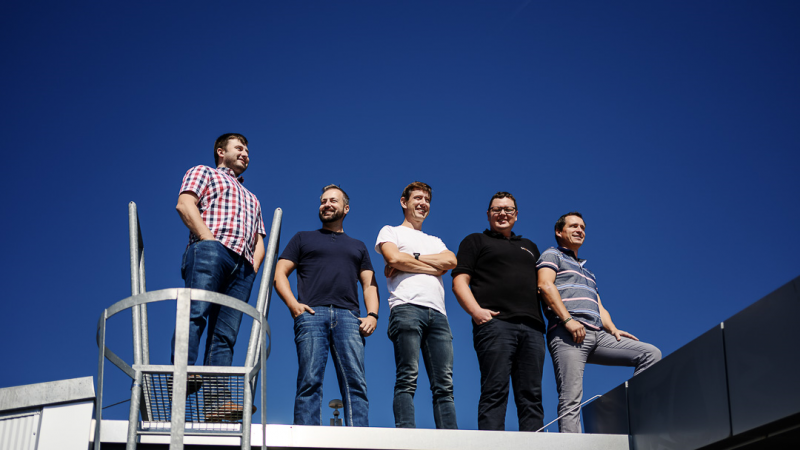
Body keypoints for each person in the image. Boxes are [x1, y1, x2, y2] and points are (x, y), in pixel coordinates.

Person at [537, 212, 661, 433]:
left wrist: (613, 329)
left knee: (650, 354)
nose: (579, 230)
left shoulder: (588, 272)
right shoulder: (552, 254)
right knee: (571, 397)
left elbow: (599, 306)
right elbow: (545, 286)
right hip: (568, 334)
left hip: (598, 335)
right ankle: (572, 446)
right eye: (573, 226)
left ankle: (632, 416)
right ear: (559, 231)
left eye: (582, 227)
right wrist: (568, 320)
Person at [172, 133, 266, 420]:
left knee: (225, 335)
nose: (245, 153)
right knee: (196, 312)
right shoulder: (204, 172)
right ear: (220, 151)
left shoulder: (253, 198)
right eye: (239, 148)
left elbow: (260, 239)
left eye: (247, 150)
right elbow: (185, 204)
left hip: (243, 266)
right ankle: (183, 372)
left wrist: (252, 268)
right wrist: (208, 240)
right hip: (212, 250)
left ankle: (217, 401)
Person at [274, 184, 380, 427]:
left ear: (346, 208)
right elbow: (279, 273)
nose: (327, 205)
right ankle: (307, 437)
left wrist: (372, 315)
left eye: (333, 200)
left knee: (355, 382)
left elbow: (369, 284)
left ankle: (359, 438)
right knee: (309, 380)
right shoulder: (302, 238)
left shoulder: (358, 245)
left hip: (349, 318)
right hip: (311, 314)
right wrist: (293, 305)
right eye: (323, 201)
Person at [451, 192, 546, 431]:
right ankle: (492, 445)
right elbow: (459, 281)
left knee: (532, 395)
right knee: (495, 390)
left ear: (516, 215)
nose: (502, 214)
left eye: (508, 209)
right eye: (497, 209)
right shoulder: (475, 240)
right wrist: (476, 312)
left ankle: (534, 447)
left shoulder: (530, 247)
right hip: (496, 325)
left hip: (533, 328)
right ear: (488, 214)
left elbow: (545, 286)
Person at [375, 182, 458, 429]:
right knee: (407, 377)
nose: (423, 203)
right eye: (418, 198)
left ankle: (451, 440)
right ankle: (406, 434)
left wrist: (412, 259)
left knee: (444, 384)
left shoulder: (435, 240)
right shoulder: (390, 232)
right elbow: (393, 257)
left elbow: (451, 261)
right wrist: (434, 268)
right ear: (404, 202)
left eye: (427, 200)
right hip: (406, 308)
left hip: (439, 314)